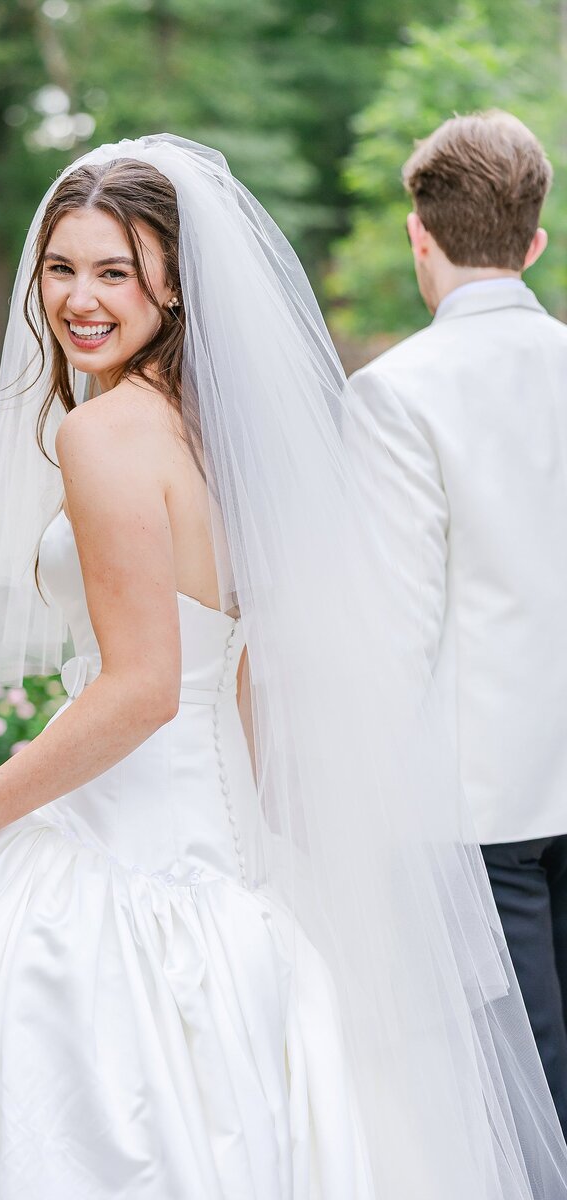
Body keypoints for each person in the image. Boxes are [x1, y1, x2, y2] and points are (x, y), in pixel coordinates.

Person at [0, 134, 565, 1200]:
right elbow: (238, 671)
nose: (78, 299)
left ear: (175, 284)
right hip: (230, 858)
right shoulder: (224, 436)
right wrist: (289, 848)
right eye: (61, 268)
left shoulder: (103, 436)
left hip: (132, 845)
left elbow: (143, 688)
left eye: (115, 271)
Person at [349, 110, 567, 1133]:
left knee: (521, 1103)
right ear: (534, 241)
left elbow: (394, 631)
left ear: (417, 235)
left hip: (475, 809)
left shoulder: (393, 394)